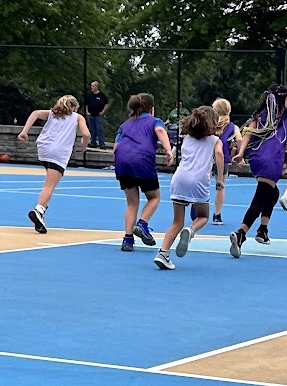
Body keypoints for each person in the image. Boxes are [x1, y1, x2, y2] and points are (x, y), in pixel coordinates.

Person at [154, 104, 226, 270]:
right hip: (199, 181)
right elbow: (220, 154)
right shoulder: (215, 141)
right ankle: (191, 230)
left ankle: (163, 253)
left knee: (176, 222)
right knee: (203, 216)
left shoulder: (186, 138)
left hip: (179, 178)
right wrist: (220, 179)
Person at [229, 85, 287, 255]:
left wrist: (241, 153)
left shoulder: (259, 116)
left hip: (257, 158)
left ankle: (262, 230)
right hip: (272, 161)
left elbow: (248, 134)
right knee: (260, 198)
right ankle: (241, 233)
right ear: (284, 100)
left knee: (273, 193)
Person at [20, 93, 90, 232]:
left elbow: (35, 113)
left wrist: (24, 131)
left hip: (43, 149)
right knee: (50, 186)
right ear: (73, 107)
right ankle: (39, 209)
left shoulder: (52, 114)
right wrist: (84, 146)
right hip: (58, 153)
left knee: (48, 182)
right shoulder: (77, 117)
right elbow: (86, 134)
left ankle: (41, 213)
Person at [114, 92, 172, 251]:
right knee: (154, 197)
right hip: (142, 160)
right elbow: (160, 131)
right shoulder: (155, 121)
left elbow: (116, 147)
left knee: (132, 203)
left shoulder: (125, 125)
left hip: (122, 161)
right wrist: (168, 150)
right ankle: (142, 223)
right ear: (151, 109)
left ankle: (127, 239)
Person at [208, 96, 240, 230]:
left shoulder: (210, 123)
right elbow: (240, 139)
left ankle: (198, 206)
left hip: (207, 158)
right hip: (223, 158)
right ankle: (217, 214)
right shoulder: (232, 126)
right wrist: (239, 153)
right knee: (220, 186)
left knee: (202, 183)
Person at [83, 79, 108, 147]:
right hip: (91, 114)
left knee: (99, 129)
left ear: (96, 86)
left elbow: (106, 104)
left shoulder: (101, 95)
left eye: (93, 86)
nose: (91, 87)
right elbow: (86, 104)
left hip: (98, 115)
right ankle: (93, 142)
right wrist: (87, 112)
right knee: (92, 129)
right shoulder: (89, 95)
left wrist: (103, 112)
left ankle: (101, 143)